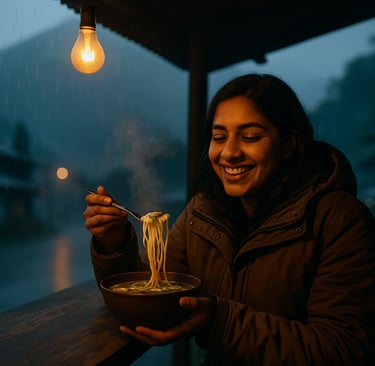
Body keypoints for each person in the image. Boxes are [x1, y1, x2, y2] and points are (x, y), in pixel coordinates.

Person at [84, 73, 375, 365]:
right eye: (219, 137)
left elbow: (343, 349)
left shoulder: (339, 219)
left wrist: (218, 321)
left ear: (289, 143)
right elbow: (155, 289)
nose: (229, 153)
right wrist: (114, 243)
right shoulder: (203, 213)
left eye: (250, 137)